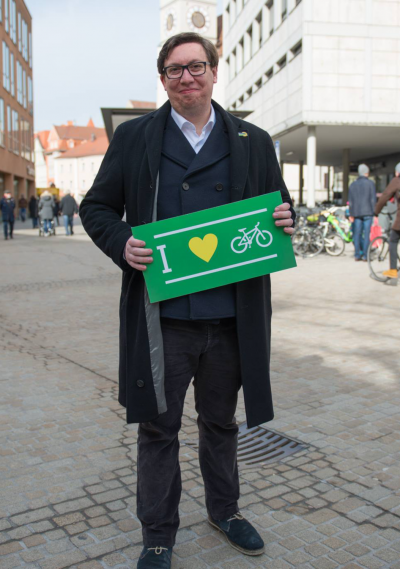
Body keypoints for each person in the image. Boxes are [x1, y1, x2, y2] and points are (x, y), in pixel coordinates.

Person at [80, 32, 295, 569]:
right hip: (165, 317)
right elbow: (96, 207)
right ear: (163, 79)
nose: (187, 77)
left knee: (221, 423)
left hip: (231, 315)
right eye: (175, 70)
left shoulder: (252, 139)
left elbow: (280, 207)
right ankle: (158, 534)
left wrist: (286, 218)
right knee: (158, 428)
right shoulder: (135, 137)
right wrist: (121, 242)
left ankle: (225, 511)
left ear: (214, 72)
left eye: (196, 66)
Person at [374, 162, 400, 283]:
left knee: (393, 241)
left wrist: (376, 211)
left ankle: (393, 270)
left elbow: (384, 196)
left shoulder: (397, 180)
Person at [348, 164, 376, 261]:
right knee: (366, 234)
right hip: (368, 212)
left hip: (356, 213)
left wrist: (351, 214)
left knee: (357, 234)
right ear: (366, 172)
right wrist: (375, 212)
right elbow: (373, 200)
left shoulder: (353, 185)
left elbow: (350, 201)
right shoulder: (370, 184)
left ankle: (357, 255)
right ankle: (365, 255)